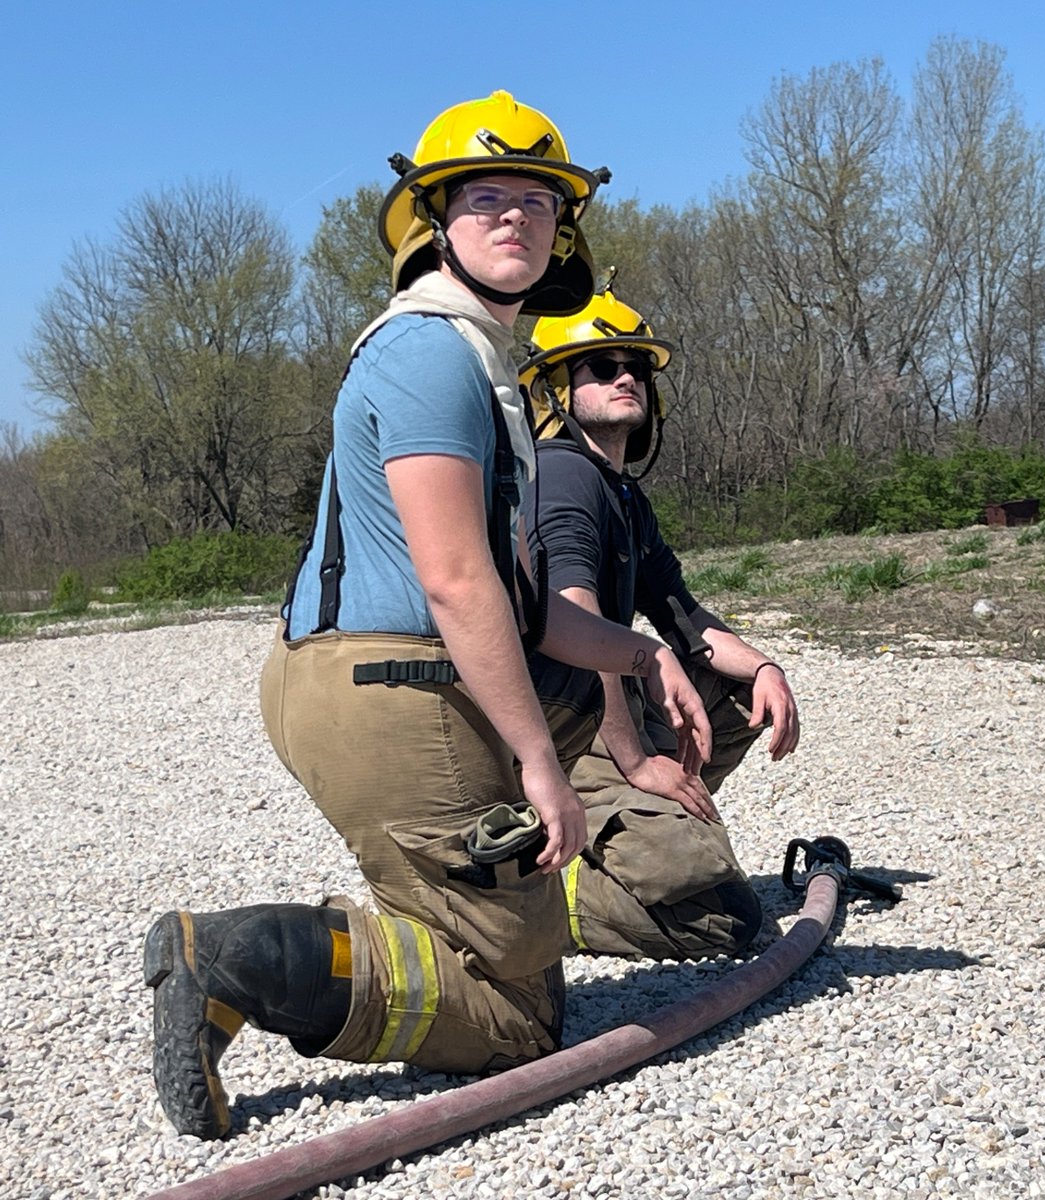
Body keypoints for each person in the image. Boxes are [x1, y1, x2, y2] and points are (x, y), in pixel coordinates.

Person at [142, 93, 712, 1141]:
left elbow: (535, 615)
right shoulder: (429, 355)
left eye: (539, 202)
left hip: (398, 679)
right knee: (520, 1016)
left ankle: (413, 918)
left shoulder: (487, 366)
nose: (517, 220)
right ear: (433, 224)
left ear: (565, 231)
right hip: (388, 686)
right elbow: (458, 584)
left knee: (495, 949)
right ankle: (233, 958)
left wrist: (640, 655)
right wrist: (544, 767)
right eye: (485, 199)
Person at [520, 279, 801, 962]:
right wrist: (638, 759)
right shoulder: (562, 475)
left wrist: (766, 669)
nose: (626, 379)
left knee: (739, 694)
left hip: (608, 708)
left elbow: (685, 618)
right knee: (723, 921)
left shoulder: (620, 492)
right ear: (555, 390)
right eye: (603, 367)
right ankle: (534, 893)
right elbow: (582, 634)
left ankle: (657, 833)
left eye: (636, 369)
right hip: (566, 727)